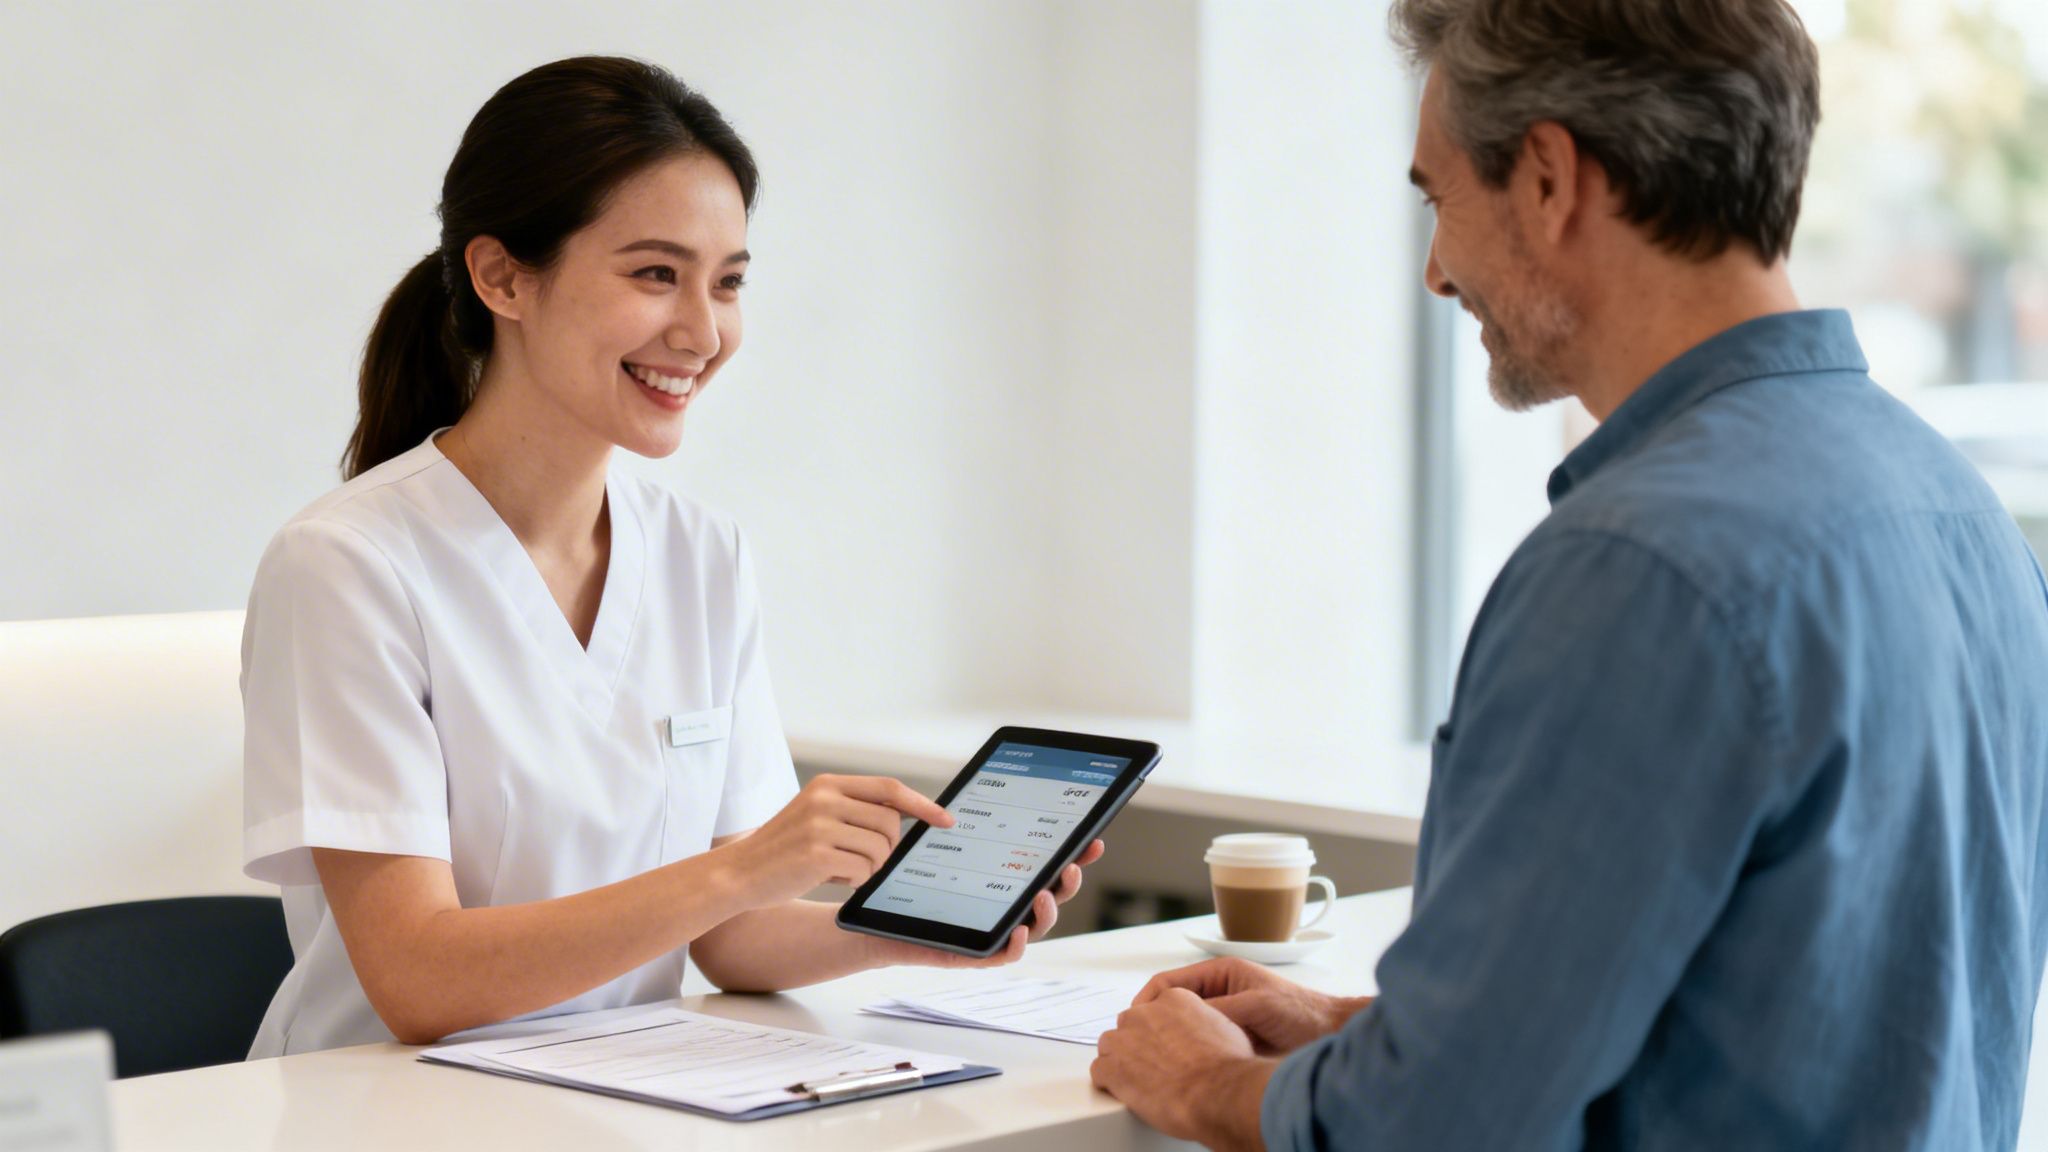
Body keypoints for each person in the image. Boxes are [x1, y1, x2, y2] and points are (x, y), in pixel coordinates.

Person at [1090, 1, 2048, 1148]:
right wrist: (1360, 1028)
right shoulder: (1951, 507)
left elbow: (1435, 1129)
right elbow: (1784, 1018)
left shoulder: (1635, 566)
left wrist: (1199, 1084)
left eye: (1436, 199)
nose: (1436, 273)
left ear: (1546, 177)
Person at [240, 56, 1099, 1056]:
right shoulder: (347, 564)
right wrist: (745, 868)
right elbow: (419, 979)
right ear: (502, 276)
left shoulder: (702, 554)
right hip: (380, 1112)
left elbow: (728, 939)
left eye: (727, 283)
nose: (702, 331)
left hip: (613, 1095)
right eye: (656, 274)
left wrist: (915, 932)